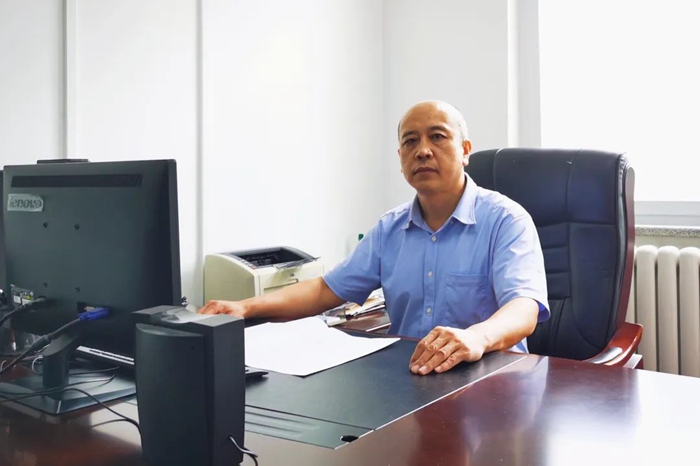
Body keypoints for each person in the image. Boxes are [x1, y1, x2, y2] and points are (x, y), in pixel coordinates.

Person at [198, 100, 549, 375]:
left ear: (465, 150)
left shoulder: (506, 220)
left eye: (438, 137)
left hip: (493, 378)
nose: (423, 150)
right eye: (410, 141)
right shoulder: (389, 229)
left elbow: (524, 308)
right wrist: (245, 307)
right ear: (401, 158)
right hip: (413, 379)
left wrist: (476, 337)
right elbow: (326, 290)